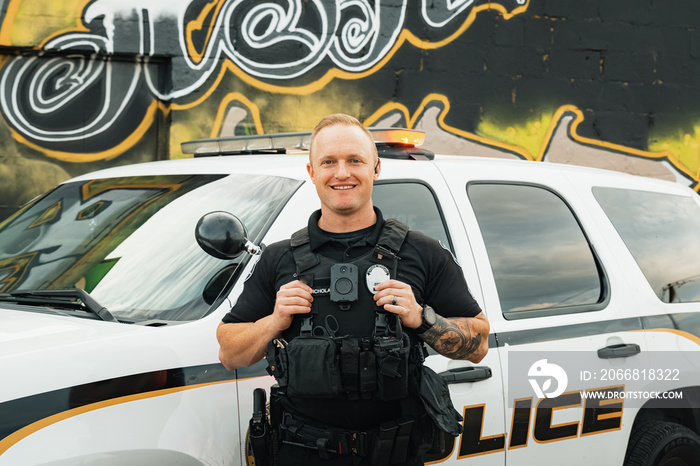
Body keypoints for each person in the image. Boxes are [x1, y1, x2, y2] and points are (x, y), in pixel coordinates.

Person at [217, 113, 490, 465]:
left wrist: (421, 318)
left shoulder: (421, 252)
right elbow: (229, 353)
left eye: (355, 161)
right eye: (328, 162)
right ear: (312, 172)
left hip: (395, 453)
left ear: (376, 169)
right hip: (302, 454)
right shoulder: (278, 259)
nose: (342, 173)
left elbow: (479, 345)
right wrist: (274, 321)